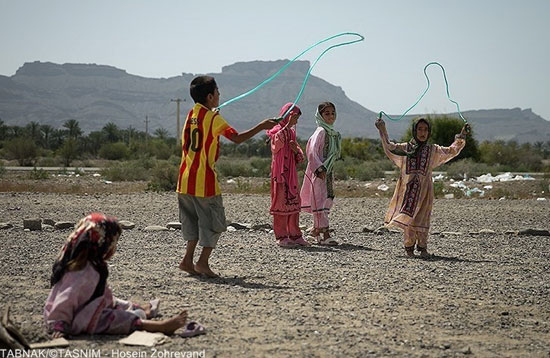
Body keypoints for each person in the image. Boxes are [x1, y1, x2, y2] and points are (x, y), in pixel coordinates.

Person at [177, 76, 277, 277]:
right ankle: (202, 262)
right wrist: (262, 125)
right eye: (218, 93)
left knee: (192, 223)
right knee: (214, 223)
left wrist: (214, 115)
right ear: (210, 96)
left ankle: (188, 260)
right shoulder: (214, 119)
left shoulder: (191, 114)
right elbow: (237, 138)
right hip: (205, 183)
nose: (220, 96)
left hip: (184, 181)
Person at [44, 213, 188, 338]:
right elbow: (65, 301)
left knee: (118, 304)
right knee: (118, 318)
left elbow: (99, 295)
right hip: (80, 318)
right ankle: (158, 326)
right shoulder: (81, 272)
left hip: (90, 306)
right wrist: (59, 326)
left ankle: (140, 309)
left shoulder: (93, 265)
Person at [375, 117, 470, 257]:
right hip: (408, 191)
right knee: (409, 217)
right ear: (414, 130)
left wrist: (461, 138)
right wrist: (382, 129)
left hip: (425, 191)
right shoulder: (405, 148)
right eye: (419, 129)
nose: (422, 132)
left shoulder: (433, 150)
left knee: (423, 217)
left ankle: (422, 247)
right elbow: (390, 147)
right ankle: (408, 247)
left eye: (425, 129)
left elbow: (451, 151)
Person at [267, 103, 310, 248]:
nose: (296, 121)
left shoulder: (292, 133)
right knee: (281, 205)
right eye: (295, 117)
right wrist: (284, 129)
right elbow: (276, 147)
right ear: (288, 116)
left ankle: (295, 235)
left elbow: (300, 156)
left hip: (290, 175)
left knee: (294, 205)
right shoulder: (276, 132)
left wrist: (295, 150)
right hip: (279, 175)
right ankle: (281, 236)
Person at [300, 102, 341, 245]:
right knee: (319, 200)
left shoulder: (331, 132)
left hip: (327, 172)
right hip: (320, 172)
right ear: (320, 116)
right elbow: (312, 151)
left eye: (332, 113)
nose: (331, 116)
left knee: (326, 199)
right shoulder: (321, 132)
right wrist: (319, 169)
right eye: (327, 113)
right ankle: (325, 234)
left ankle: (315, 231)